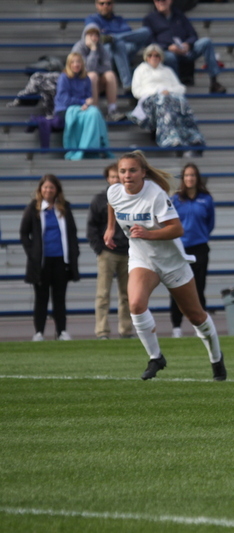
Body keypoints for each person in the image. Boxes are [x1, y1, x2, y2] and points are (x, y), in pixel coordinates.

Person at [104, 150, 226, 381]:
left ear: (142, 173)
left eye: (132, 170)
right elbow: (112, 203)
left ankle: (216, 358)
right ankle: (156, 357)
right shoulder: (114, 191)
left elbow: (177, 229)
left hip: (171, 261)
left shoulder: (156, 195)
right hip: (142, 259)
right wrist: (110, 228)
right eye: (122, 171)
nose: (127, 175)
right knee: (137, 305)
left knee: (196, 315)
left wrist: (149, 234)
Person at [19, 175, 80, 341]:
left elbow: (72, 233)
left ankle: (61, 332)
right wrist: (32, 253)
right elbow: (24, 233)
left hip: (61, 260)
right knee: (41, 298)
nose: (48, 190)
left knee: (59, 298)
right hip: (41, 262)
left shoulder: (64, 207)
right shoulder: (33, 208)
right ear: (40, 189)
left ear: (57, 190)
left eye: (51, 187)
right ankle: (39, 332)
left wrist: (74, 254)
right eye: (45, 187)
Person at [129, 44, 205, 155]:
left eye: (156, 55)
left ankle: (194, 137)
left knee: (182, 102)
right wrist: (158, 92)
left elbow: (180, 88)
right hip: (150, 101)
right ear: (146, 57)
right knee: (164, 102)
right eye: (150, 55)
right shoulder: (140, 70)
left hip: (170, 97)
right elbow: (136, 91)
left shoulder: (167, 70)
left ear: (160, 57)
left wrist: (167, 91)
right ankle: (172, 139)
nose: (153, 58)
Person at [87, 163, 133, 340]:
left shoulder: (130, 197)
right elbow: (91, 226)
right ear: (107, 178)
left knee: (127, 295)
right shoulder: (99, 199)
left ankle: (126, 330)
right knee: (103, 294)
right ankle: (102, 330)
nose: (115, 180)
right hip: (108, 253)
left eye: (118, 177)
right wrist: (99, 249)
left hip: (128, 252)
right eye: (112, 177)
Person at [169, 163, 215, 338]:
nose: (190, 178)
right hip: (179, 249)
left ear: (197, 178)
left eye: (193, 175)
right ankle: (176, 327)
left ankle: (202, 326)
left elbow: (210, 224)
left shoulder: (206, 199)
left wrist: (200, 236)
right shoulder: (175, 200)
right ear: (183, 178)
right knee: (177, 287)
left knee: (199, 287)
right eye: (187, 175)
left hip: (200, 248)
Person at [143, 0, 226, 94]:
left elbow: (193, 35)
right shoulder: (149, 19)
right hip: (166, 51)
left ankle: (214, 82)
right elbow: (150, 42)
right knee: (170, 57)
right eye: (157, 0)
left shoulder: (179, 15)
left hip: (185, 50)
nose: (160, 2)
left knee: (206, 42)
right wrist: (168, 47)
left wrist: (187, 44)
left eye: (163, 0)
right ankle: (175, 86)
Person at [55, 52, 113, 160]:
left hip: (83, 107)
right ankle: (84, 149)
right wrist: (82, 102)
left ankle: (93, 148)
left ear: (82, 63)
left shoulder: (86, 78)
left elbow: (89, 97)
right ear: (69, 64)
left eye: (78, 62)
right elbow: (63, 98)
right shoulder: (64, 77)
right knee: (91, 114)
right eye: (73, 62)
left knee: (95, 113)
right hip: (66, 108)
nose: (76, 64)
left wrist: (86, 103)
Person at [85, 0, 152, 92]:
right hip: (106, 53)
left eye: (108, 3)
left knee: (146, 31)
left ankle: (114, 38)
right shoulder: (92, 19)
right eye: (102, 3)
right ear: (96, 5)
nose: (105, 6)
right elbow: (94, 37)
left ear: (113, 4)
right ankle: (127, 83)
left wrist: (112, 37)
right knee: (118, 44)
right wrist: (115, 39)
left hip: (124, 49)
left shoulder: (119, 19)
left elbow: (129, 34)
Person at [71, 24, 124, 122]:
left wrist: (95, 67)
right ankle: (94, 110)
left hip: (98, 83)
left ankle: (112, 110)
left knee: (110, 75)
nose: (94, 37)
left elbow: (108, 66)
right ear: (85, 35)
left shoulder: (101, 47)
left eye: (96, 34)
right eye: (91, 34)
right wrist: (93, 50)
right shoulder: (78, 48)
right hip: (81, 85)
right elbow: (86, 69)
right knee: (92, 76)